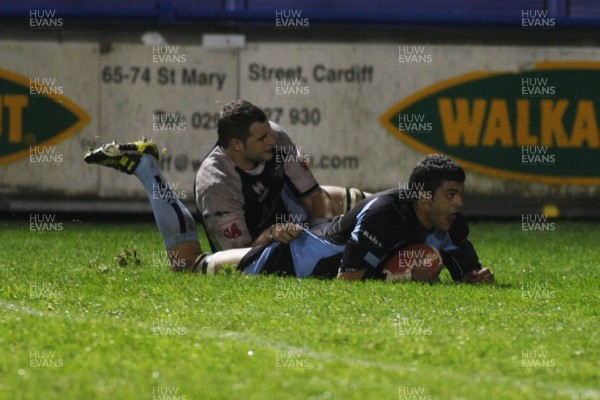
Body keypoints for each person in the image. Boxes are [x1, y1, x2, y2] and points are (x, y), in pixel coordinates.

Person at [84, 140, 493, 284]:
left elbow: (469, 276)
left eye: (460, 194)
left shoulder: (448, 223)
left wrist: (475, 277)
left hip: (306, 227)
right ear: (425, 196)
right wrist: (398, 276)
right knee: (187, 265)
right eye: (451, 195)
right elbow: (348, 281)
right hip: (288, 259)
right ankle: (147, 169)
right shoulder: (386, 214)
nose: (459, 203)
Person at [195, 100, 368, 251]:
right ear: (237, 145)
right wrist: (271, 234)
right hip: (260, 244)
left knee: (373, 207)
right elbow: (239, 259)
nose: (271, 140)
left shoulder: (275, 137)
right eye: (262, 138)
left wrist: (328, 237)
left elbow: (315, 196)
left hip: (293, 219)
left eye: (269, 131)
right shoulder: (216, 185)